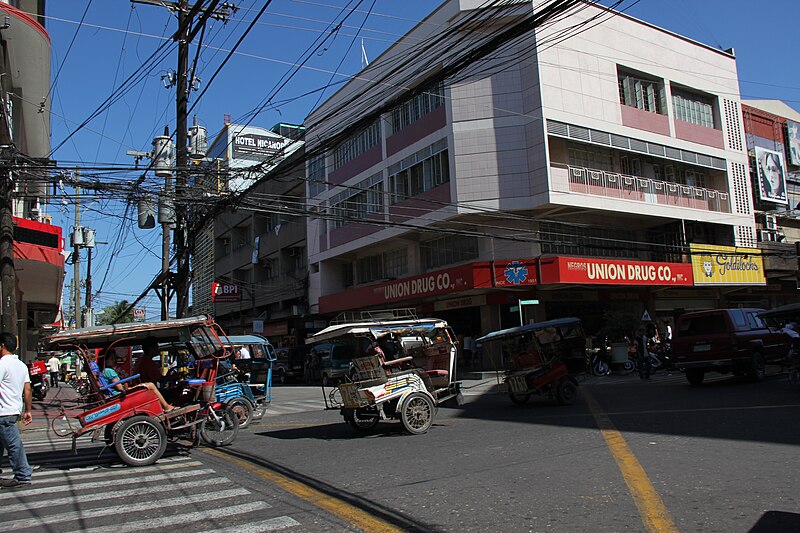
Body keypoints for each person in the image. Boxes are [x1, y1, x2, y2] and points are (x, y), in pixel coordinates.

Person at [0, 331, 33, 488]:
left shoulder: (2, 364)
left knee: (14, 445)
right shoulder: (21, 365)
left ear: (2, 345)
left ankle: (23, 475)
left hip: (3, 412)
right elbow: (27, 389)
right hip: (13, 411)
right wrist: (28, 410)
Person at [102, 349, 175, 412]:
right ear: (105, 360)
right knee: (150, 385)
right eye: (111, 359)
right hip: (119, 395)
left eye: (114, 358)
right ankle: (166, 406)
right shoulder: (109, 371)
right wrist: (130, 388)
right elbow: (120, 388)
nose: (114, 360)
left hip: (118, 394)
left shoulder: (105, 371)